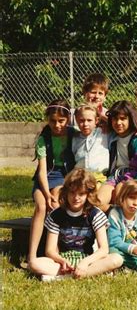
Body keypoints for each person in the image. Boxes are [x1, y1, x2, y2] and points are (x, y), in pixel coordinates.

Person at [28, 168, 123, 281]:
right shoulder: (56, 215)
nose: (76, 198)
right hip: (63, 261)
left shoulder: (95, 214)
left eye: (81, 194)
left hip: (87, 259)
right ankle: (86, 275)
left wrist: (84, 263)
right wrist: (62, 261)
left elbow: (103, 249)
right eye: (72, 192)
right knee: (34, 263)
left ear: (88, 194)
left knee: (117, 259)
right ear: (66, 192)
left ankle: (64, 277)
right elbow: (50, 250)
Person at [29, 100, 75, 262]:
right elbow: (41, 171)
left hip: (64, 176)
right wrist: (46, 194)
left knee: (55, 204)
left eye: (61, 121)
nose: (57, 125)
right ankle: (32, 255)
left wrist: (52, 196)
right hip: (45, 177)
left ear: (68, 119)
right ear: (48, 120)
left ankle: (54, 252)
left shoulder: (73, 134)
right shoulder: (44, 138)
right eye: (53, 121)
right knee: (41, 207)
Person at [97, 101, 137, 212]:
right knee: (98, 203)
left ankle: (122, 223)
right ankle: (115, 214)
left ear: (131, 119)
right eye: (115, 119)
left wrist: (125, 181)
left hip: (133, 177)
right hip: (114, 176)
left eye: (123, 119)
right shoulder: (113, 137)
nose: (118, 122)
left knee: (120, 191)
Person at [67, 103, 109, 183]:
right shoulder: (75, 138)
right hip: (79, 177)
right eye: (82, 120)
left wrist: (102, 116)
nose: (85, 124)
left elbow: (115, 123)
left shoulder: (103, 133)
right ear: (76, 120)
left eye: (89, 120)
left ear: (96, 120)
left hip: (99, 177)